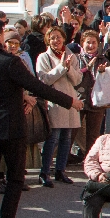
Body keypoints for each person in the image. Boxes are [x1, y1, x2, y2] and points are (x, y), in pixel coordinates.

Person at [0, 19, 83, 218]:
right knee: (15, 180)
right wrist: (70, 101)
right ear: (0, 37)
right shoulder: (10, 62)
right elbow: (38, 87)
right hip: (10, 127)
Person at [36, 26, 83, 188]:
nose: (56, 40)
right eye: (52, 38)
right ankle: (44, 172)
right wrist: (61, 67)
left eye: (59, 37)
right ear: (48, 40)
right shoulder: (44, 57)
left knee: (66, 138)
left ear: (64, 39)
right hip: (55, 102)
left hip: (70, 101)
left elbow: (77, 80)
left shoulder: (72, 56)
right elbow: (44, 80)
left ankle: (60, 170)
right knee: (53, 138)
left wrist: (68, 67)